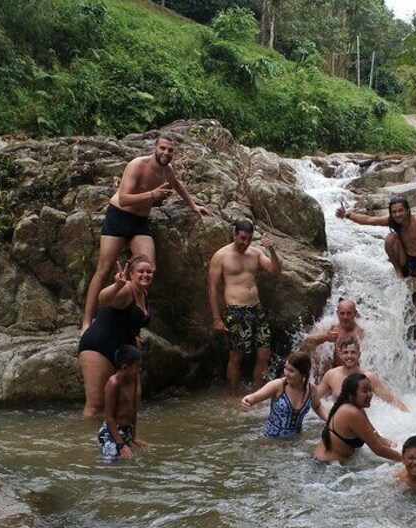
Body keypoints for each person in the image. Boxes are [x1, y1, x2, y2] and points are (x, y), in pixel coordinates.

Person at [81, 134, 212, 333]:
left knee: (148, 268)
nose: (166, 153)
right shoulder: (137, 165)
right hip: (119, 216)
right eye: (163, 148)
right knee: (104, 268)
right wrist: (152, 194)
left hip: (140, 222)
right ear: (155, 148)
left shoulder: (167, 170)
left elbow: (176, 184)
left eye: (170, 150)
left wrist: (193, 205)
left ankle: (132, 316)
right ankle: (87, 321)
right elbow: (124, 198)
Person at [336, 195, 416, 306]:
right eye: (394, 212)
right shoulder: (392, 220)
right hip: (404, 258)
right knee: (390, 238)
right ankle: (398, 269)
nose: (397, 214)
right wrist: (346, 215)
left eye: (400, 210)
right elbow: (369, 220)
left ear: (407, 210)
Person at [208, 219, 282, 394]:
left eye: (249, 239)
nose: (245, 243)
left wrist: (271, 249)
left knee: (264, 354)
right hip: (236, 310)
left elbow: (275, 271)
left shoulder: (255, 253)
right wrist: (216, 318)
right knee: (236, 356)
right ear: (235, 234)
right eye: (242, 238)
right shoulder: (221, 256)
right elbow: (212, 287)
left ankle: (257, 393)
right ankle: (233, 394)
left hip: (256, 309)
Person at [79, 256, 152, 417]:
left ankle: (126, 437)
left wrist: (135, 335)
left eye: (149, 272)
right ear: (131, 274)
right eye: (141, 271)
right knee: (96, 405)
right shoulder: (126, 289)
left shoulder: (144, 294)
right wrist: (117, 285)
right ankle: (85, 441)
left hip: (125, 350)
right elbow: (103, 299)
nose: (145, 275)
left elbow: (132, 319)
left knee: (133, 398)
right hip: (98, 346)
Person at [313, 373, 403, 464]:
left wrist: (392, 445)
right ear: (351, 395)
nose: (370, 394)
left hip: (332, 466)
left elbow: (376, 436)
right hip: (324, 467)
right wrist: (405, 460)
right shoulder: (351, 412)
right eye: (365, 391)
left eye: (370, 390)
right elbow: (378, 450)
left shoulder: (358, 409)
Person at [240, 351, 328, 438]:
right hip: (269, 441)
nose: (286, 373)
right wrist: (247, 401)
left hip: (295, 442)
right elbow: (255, 397)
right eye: (285, 368)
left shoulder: (311, 389)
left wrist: (330, 420)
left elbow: (318, 407)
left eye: (291, 371)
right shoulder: (278, 385)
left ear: (303, 373)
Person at [317, 337, 409, 412]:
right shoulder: (331, 375)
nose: (349, 356)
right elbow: (314, 398)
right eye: (346, 353)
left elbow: (390, 399)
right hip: (339, 422)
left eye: (353, 352)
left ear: (359, 355)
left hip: (361, 420)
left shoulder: (368, 377)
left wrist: (408, 414)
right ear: (340, 354)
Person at [98, 344, 150, 460]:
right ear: (125, 367)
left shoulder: (134, 379)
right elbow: (109, 417)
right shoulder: (113, 383)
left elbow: (133, 409)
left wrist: (134, 437)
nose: (140, 369)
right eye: (137, 366)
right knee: (113, 467)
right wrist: (120, 444)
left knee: (131, 464)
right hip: (111, 433)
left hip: (126, 432)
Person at [301, 298, 366, 367]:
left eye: (349, 313)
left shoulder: (361, 333)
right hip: (331, 373)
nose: (345, 317)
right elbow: (306, 343)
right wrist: (325, 337)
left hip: (353, 375)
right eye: (342, 313)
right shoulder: (330, 328)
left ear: (355, 314)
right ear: (337, 313)